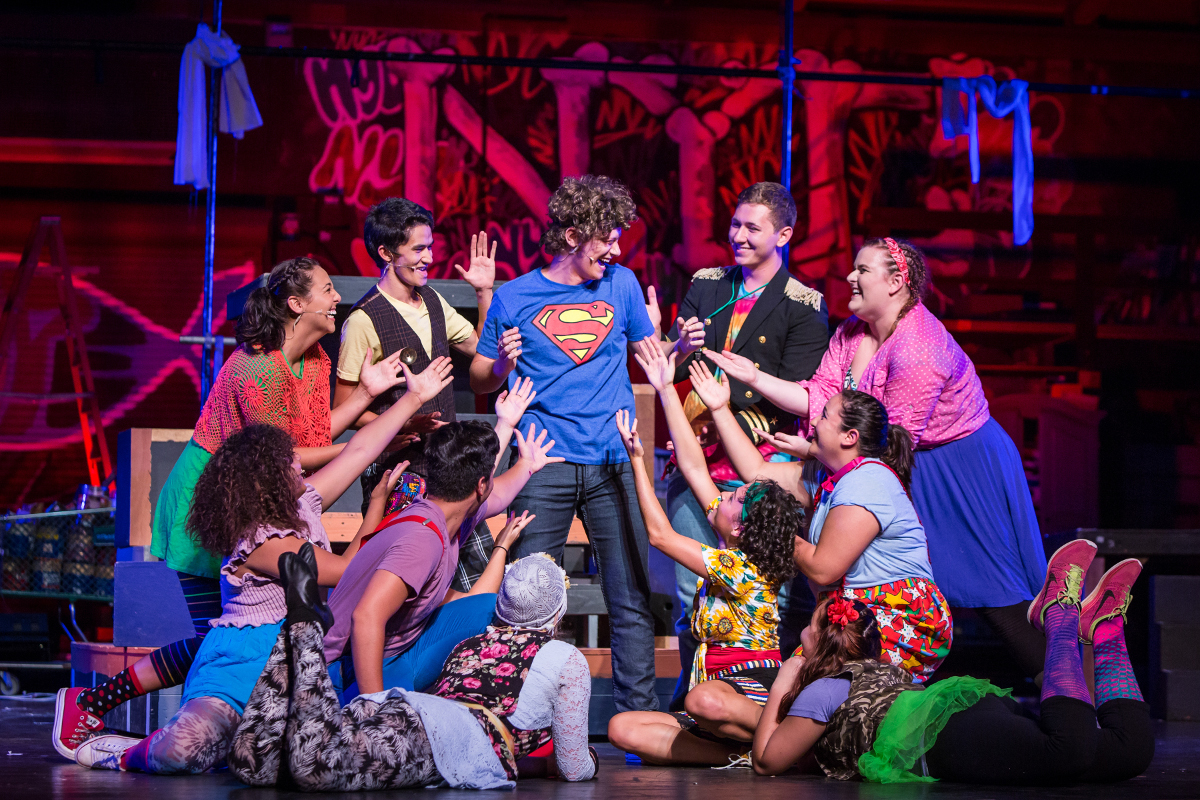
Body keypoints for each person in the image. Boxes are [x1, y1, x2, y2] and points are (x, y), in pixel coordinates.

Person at [52, 256, 410, 759]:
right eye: (328, 290)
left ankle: (187, 726)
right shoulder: (255, 368)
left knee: (231, 640)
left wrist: (366, 402)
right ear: (295, 303)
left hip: (257, 492)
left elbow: (310, 436)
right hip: (212, 497)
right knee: (221, 639)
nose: (337, 300)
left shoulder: (316, 361)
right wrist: (375, 439)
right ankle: (93, 704)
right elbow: (283, 453)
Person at [71, 358, 453, 773]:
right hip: (237, 671)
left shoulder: (303, 504)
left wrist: (413, 400)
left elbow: (361, 450)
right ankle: (121, 755)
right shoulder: (259, 540)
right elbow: (344, 572)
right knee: (184, 750)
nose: (300, 464)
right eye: (290, 461)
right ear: (266, 477)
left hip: (291, 676)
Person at [708, 237, 1047, 678]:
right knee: (909, 577)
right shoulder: (852, 332)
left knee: (991, 587)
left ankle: (1063, 684)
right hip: (893, 460)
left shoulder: (918, 347)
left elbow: (891, 436)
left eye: (862, 270)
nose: (850, 277)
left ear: (895, 282)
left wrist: (813, 449)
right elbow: (823, 395)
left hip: (961, 463)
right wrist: (757, 377)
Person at [469, 174, 659, 713]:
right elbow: (482, 377)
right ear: (574, 236)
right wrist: (503, 363)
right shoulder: (515, 296)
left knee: (629, 597)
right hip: (540, 461)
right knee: (529, 596)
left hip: (612, 459)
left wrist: (677, 345)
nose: (618, 249)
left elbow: (651, 353)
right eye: (608, 238)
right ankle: (522, 718)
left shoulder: (621, 286)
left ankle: (637, 720)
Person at [752, 544, 1152, 786]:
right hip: (965, 713)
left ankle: (1060, 613)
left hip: (943, 735)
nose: (800, 634)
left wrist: (785, 679)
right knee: (1129, 752)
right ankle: (1106, 629)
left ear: (820, 641)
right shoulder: (877, 669)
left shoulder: (824, 688)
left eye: (807, 627)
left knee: (1069, 748)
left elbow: (767, 761)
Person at [212, 549, 598, 791]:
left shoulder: (472, 645)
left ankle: (293, 631)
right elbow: (574, 767)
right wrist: (589, 760)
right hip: (440, 736)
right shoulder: (566, 659)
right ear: (558, 613)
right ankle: (303, 626)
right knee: (311, 764)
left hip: (407, 712)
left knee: (253, 761)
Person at [650, 183, 829, 700]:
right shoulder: (707, 284)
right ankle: (692, 699)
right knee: (692, 592)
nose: (739, 235)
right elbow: (670, 361)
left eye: (753, 227)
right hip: (697, 457)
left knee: (767, 591)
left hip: (759, 465)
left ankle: (763, 700)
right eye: (735, 224)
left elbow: (799, 392)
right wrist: (680, 346)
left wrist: (729, 398)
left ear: (784, 234)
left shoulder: (804, 304)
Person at [323, 404, 565, 701]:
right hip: (343, 669)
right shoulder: (421, 539)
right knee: (403, 726)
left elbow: (499, 494)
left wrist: (526, 464)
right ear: (480, 485)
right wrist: (374, 709)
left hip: (398, 646)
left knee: (491, 606)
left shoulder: (451, 511)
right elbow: (365, 617)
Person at [606, 399, 800, 766]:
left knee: (702, 700)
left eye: (731, 498)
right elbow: (695, 468)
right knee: (621, 728)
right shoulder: (729, 550)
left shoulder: (740, 567)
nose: (720, 498)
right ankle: (737, 754)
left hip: (747, 689)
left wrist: (637, 463)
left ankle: (783, 740)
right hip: (710, 696)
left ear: (740, 526)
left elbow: (660, 535)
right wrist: (664, 387)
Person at [334, 197, 499, 590]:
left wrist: (484, 293)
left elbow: (482, 351)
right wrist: (404, 425)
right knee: (409, 584)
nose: (429, 257)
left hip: (449, 467)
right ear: (387, 253)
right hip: (399, 473)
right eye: (419, 249)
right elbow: (343, 411)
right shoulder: (363, 320)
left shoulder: (432, 301)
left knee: (477, 574)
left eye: (430, 247)